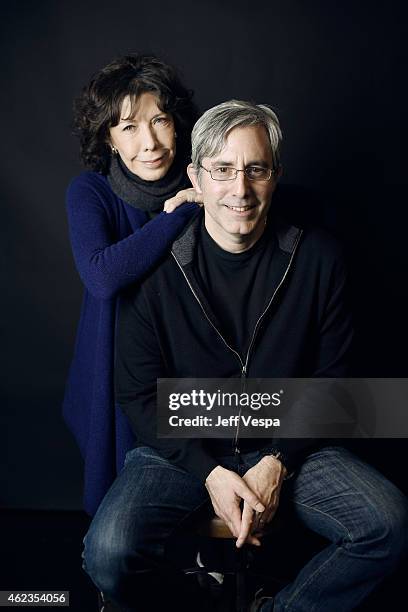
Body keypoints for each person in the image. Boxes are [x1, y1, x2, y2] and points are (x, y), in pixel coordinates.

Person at [83, 100, 408, 611]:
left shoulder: (320, 257)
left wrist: (278, 460)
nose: (240, 189)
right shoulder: (156, 268)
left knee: (388, 524)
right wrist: (209, 472)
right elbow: (138, 392)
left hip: (289, 443)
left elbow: (333, 379)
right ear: (195, 176)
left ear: (275, 175)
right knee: (107, 554)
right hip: (183, 448)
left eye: (256, 169)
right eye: (223, 170)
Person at [63, 53, 200, 516]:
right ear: (109, 139)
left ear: (176, 123)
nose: (151, 142)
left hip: (190, 366)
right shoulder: (91, 192)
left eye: (159, 120)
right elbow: (103, 276)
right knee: (121, 516)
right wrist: (179, 213)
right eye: (129, 128)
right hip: (117, 368)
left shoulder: (209, 182)